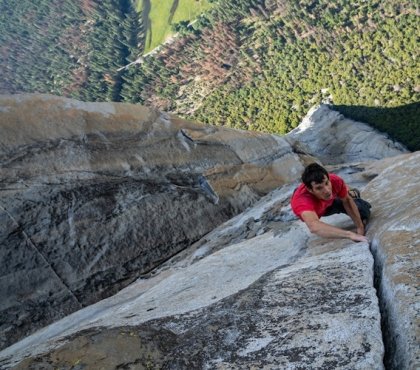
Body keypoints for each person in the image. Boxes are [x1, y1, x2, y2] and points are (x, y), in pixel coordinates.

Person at [291, 163, 371, 243]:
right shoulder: (302, 201)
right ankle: (348, 191)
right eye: (319, 188)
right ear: (310, 190)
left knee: (362, 210)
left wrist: (360, 227)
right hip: (317, 208)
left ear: (328, 178)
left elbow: (347, 201)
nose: (327, 190)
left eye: (326, 183)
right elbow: (314, 226)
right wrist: (350, 234)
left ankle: (350, 191)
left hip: (331, 202)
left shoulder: (334, 180)